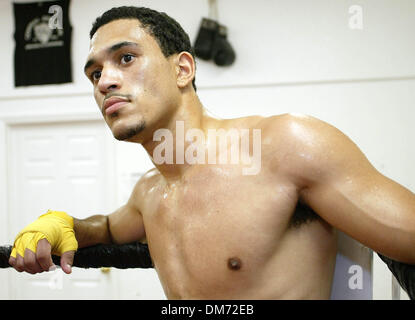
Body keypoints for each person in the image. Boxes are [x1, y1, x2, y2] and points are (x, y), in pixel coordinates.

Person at [8, 6, 415, 299]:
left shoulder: (285, 145)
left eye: (126, 58)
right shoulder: (150, 193)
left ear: (183, 69)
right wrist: (61, 222)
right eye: (95, 73)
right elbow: (108, 229)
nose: (105, 81)